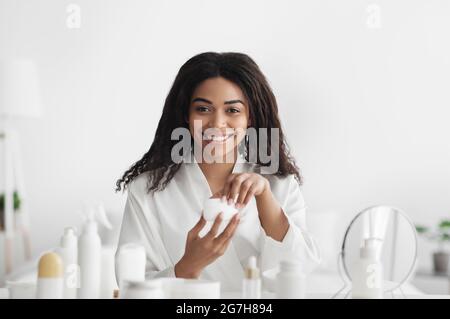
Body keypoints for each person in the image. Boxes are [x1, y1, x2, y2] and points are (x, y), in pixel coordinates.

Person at [115, 52, 320, 291]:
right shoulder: (147, 190)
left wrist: (265, 199)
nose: (216, 124)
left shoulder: (279, 184)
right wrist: (187, 268)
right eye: (203, 109)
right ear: (186, 115)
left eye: (232, 111)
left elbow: (299, 270)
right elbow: (131, 287)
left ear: (249, 118)